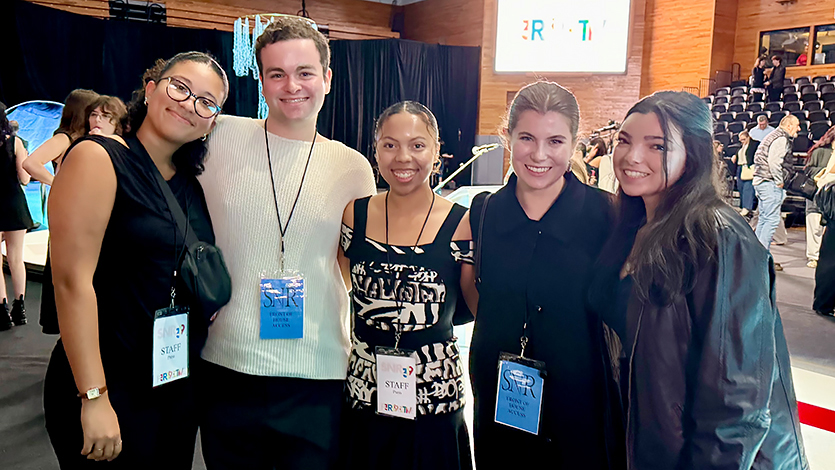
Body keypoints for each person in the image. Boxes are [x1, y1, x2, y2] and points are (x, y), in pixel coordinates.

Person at [590, 91, 807, 469]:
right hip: (652, 446)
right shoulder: (632, 225)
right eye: (624, 141)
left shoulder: (719, 238)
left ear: (694, 152)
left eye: (656, 145)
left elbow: (737, 404)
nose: (632, 156)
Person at [196, 17, 376, 470]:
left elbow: (352, 267)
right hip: (227, 364)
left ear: (327, 78)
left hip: (318, 372)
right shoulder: (218, 138)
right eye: (276, 74)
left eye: (305, 72)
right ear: (261, 80)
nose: (291, 85)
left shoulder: (352, 168)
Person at [42, 51, 228, 468]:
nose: (188, 104)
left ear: (211, 122)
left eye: (206, 102)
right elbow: (72, 282)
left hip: (171, 384)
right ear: (150, 89)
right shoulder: (100, 158)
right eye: (180, 87)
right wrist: (93, 396)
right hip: (107, 383)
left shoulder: (189, 185)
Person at [467, 81, 619, 469]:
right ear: (507, 137)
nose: (539, 154)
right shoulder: (483, 212)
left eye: (555, 141)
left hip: (578, 407)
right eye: (526, 138)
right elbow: (475, 297)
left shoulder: (607, 216)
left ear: (574, 144)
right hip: (501, 401)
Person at [338, 101, 475, 469]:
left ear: (436, 150)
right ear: (376, 149)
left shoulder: (462, 223)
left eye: (417, 145)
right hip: (366, 394)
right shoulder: (357, 214)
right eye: (390, 144)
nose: (403, 157)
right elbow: (341, 284)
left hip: (435, 399)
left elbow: (475, 305)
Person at [0, 100, 34, 330]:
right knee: (16, 257)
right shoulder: (17, 143)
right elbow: (25, 178)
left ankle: (1, 310)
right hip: (13, 202)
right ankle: (19, 307)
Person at [23, 89, 99, 186]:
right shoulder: (64, 139)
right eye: (94, 113)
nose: (98, 118)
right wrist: (59, 186)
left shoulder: (89, 137)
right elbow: (31, 163)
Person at [753, 115, 800, 270]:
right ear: (789, 125)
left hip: (761, 181)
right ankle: (761, 260)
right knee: (771, 220)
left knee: (764, 220)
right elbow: (775, 162)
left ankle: (757, 255)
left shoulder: (771, 136)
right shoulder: (781, 138)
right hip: (770, 183)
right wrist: (779, 181)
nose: (799, 129)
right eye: (797, 125)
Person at [805, 126, 835, 269]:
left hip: (831, 198)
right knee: (814, 225)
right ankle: (813, 256)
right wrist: (825, 172)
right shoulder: (819, 151)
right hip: (817, 194)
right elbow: (809, 170)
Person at [732, 129, 756, 217]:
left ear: (748, 137)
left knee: (748, 187)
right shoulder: (741, 146)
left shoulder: (755, 144)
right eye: (741, 140)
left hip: (748, 167)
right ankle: (743, 206)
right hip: (740, 167)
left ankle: (747, 207)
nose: (742, 141)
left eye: (744, 139)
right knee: (740, 187)